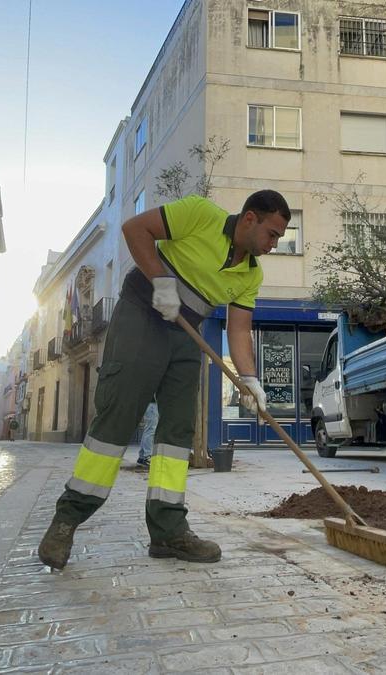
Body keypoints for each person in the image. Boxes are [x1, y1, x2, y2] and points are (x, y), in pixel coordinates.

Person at [38, 190, 290, 569]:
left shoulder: (251, 273)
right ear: (250, 219)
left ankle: (168, 530)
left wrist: (250, 379)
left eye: (279, 238)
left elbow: (239, 331)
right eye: (272, 234)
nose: (274, 244)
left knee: (177, 431)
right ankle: (67, 520)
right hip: (143, 311)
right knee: (118, 416)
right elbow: (135, 228)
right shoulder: (200, 214)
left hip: (188, 333)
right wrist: (162, 281)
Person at [134, 400, 158, 470]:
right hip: (152, 403)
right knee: (151, 430)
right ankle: (147, 457)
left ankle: (142, 457)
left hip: (150, 403)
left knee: (148, 429)